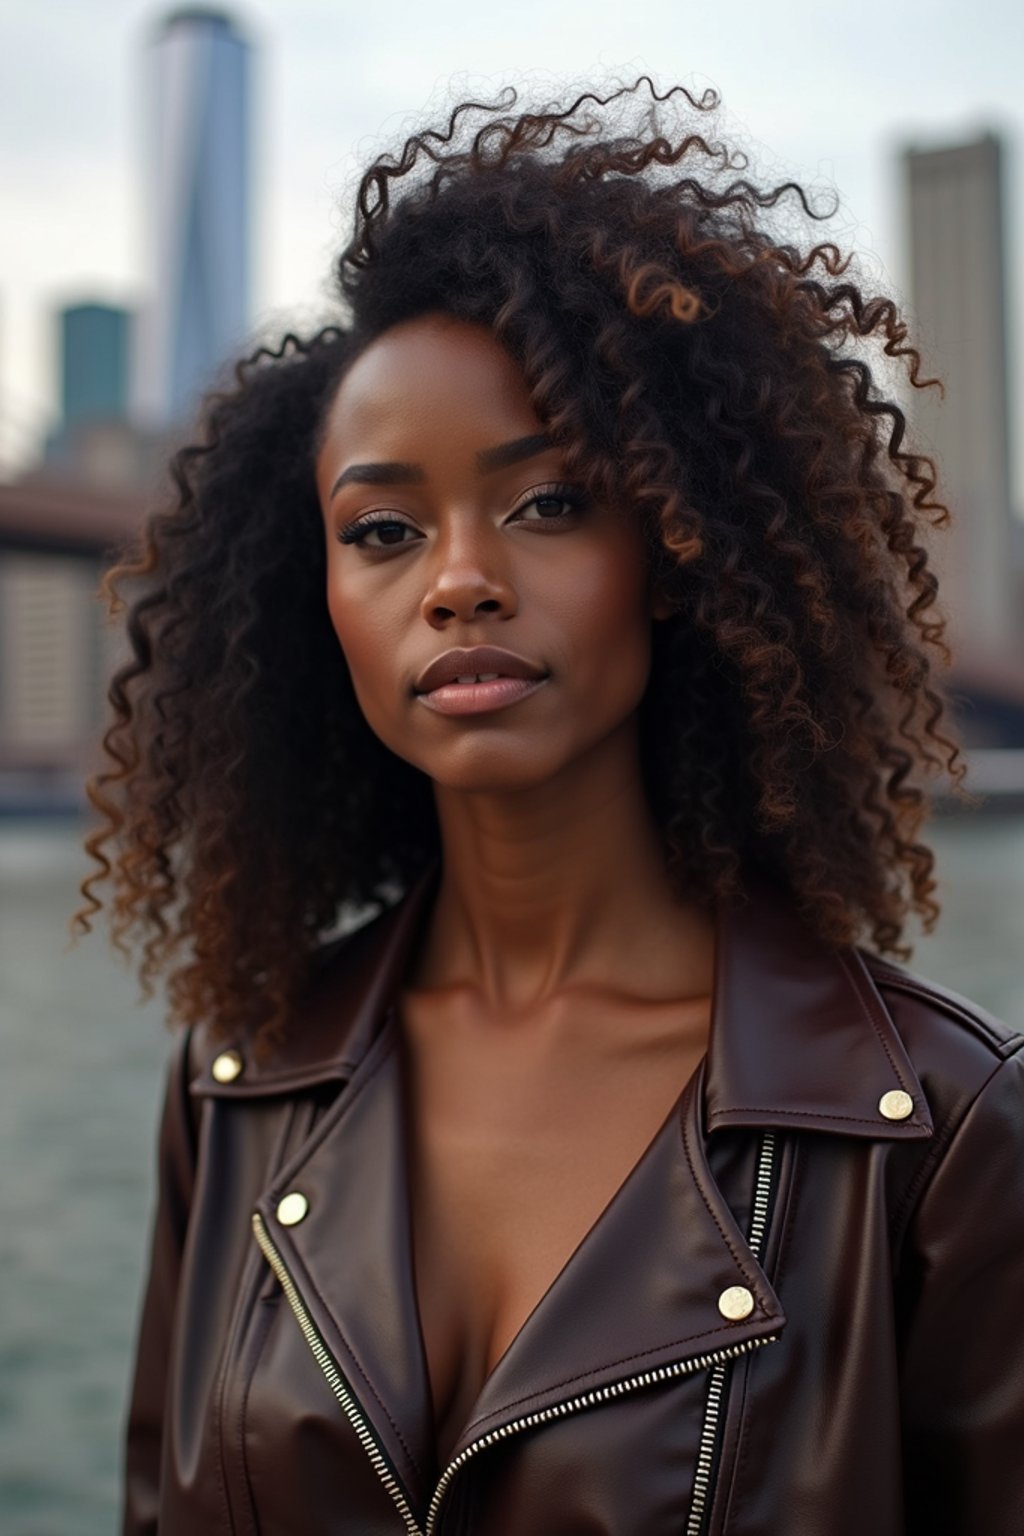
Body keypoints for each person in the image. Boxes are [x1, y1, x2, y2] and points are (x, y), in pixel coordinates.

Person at [75, 81, 1024, 1535]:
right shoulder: (240, 1085)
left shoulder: (939, 1137)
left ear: (679, 548)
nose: (459, 579)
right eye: (382, 531)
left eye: (551, 503)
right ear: (313, 595)